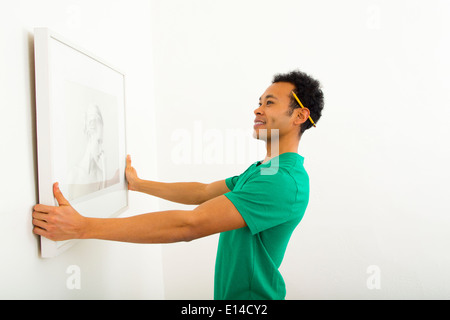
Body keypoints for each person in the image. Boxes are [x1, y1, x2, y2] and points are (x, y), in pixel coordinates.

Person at [32, 70, 324, 300]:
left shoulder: (283, 182)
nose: (257, 110)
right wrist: (138, 184)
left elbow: (189, 226)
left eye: (269, 103)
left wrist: (83, 227)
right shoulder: (267, 170)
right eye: (259, 102)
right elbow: (202, 192)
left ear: (300, 115)